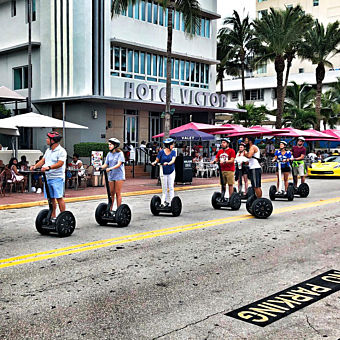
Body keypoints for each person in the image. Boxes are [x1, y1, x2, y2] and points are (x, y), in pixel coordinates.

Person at [30, 131, 67, 219]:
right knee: (51, 198)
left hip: (57, 178)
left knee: (59, 197)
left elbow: (60, 163)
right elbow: (43, 161)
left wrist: (49, 167)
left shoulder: (61, 151)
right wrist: (35, 166)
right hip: (48, 177)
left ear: (53, 140)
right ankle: (53, 216)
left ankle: (64, 216)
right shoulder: (48, 150)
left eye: (48, 138)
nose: (46, 140)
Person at [100, 138, 125, 211]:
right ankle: (109, 210)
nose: (109, 146)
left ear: (115, 145)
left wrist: (110, 168)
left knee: (118, 193)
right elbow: (106, 164)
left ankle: (118, 210)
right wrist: (100, 167)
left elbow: (119, 164)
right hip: (111, 176)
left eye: (110, 144)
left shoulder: (120, 153)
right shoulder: (109, 154)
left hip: (119, 176)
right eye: (109, 145)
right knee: (111, 193)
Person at [152, 138, 176, 208]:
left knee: (171, 187)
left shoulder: (173, 152)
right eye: (172, 144)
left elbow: (173, 160)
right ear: (168, 145)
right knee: (164, 188)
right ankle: (163, 202)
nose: (173, 146)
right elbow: (157, 159)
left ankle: (172, 202)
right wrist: (154, 162)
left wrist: (168, 163)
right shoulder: (161, 152)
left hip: (171, 171)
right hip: (163, 171)